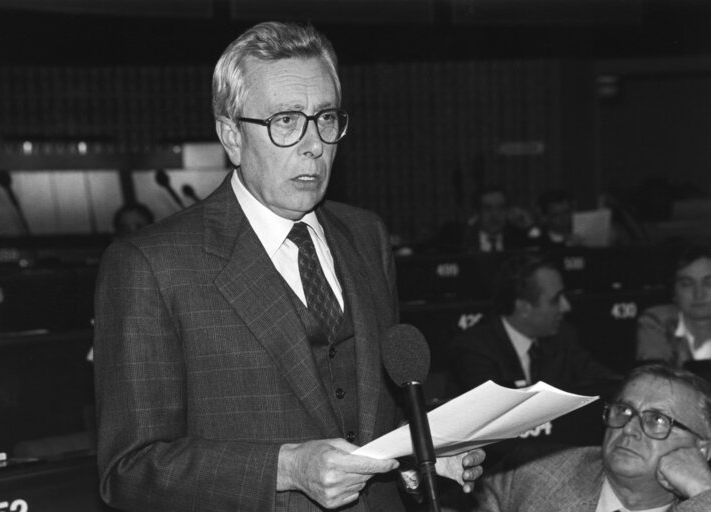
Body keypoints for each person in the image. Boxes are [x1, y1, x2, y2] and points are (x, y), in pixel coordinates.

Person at [94, 21, 483, 512]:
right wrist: (284, 468)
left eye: (325, 118)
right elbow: (129, 470)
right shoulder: (150, 265)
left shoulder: (366, 236)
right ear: (231, 136)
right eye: (285, 121)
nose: (314, 144)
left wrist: (420, 455)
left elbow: (371, 417)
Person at [468, 364, 711, 512]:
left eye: (657, 419)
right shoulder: (531, 476)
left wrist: (703, 491)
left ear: (702, 450)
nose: (628, 429)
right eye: (623, 411)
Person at [448, 252, 617, 393]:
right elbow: (495, 415)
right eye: (556, 299)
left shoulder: (563, 336)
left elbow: (606, 383)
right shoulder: (475, 350)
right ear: (524, 308)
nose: (566, 306)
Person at [636, 243, 711, 368]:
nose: (699, 294)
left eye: (709, 283)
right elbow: (654, 381)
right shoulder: (655, 321)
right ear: (673, 290)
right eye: (687, 284)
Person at [460, 186, 528, 253]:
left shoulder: (518, 240)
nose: (495, 214)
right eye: (487, 208)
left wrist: (529, 225)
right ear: (477, 213)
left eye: (501, 208)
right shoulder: (462, 241)